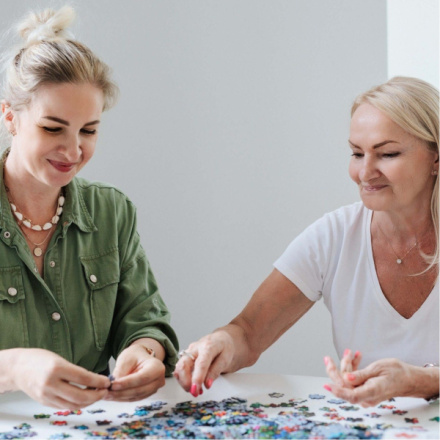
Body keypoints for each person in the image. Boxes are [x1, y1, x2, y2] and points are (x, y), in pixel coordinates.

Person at [174, 76, 439, 407]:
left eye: (387, 154)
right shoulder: (333, 237)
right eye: (357, 153)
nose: (365, 172)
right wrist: (215, 345)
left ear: (435, 158)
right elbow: (247, 333)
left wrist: (423, 381)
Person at [0, 6, 178, 409]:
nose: (74, 150)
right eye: (53, 127)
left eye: (89, 130)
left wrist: (146, 353)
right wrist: (14, 369)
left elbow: (144, 321)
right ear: (10, 115)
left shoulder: (111, 213)